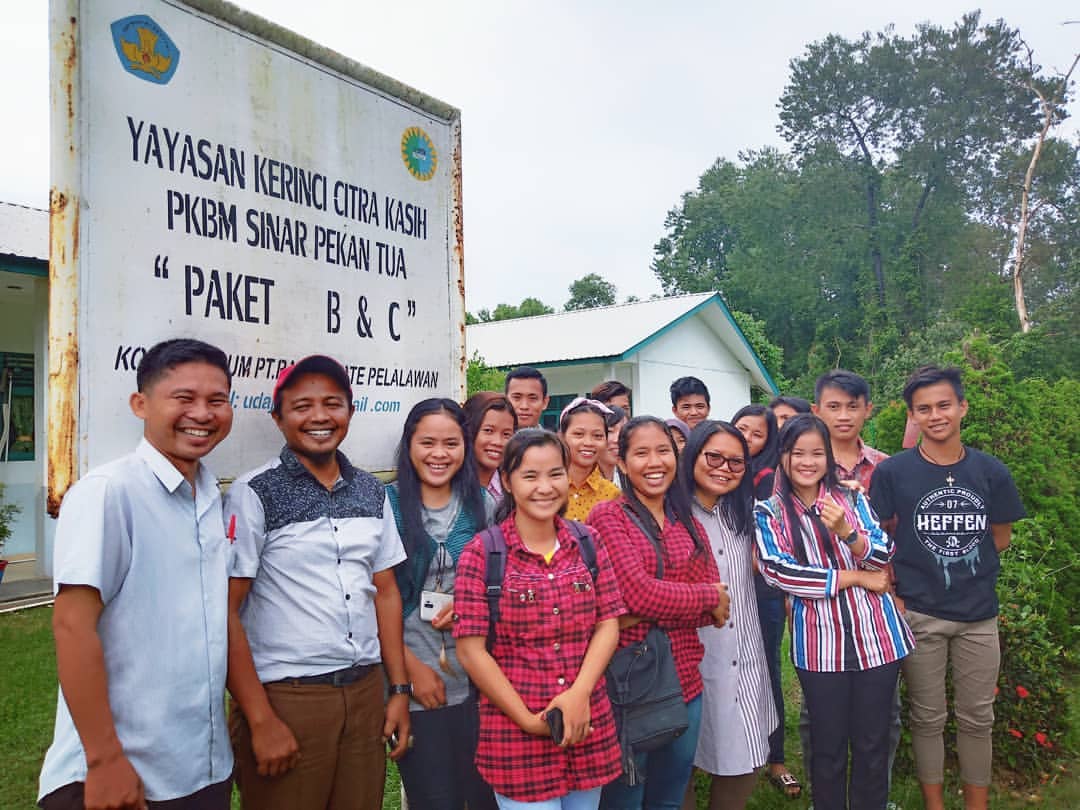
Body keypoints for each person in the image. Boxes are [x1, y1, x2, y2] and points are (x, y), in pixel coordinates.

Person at [38, 338, 235, 810]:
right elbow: (72, 626)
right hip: (118, 777)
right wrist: (105, 760)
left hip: (200, 769)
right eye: (184, 398)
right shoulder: (109, 493)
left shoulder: (210, 495)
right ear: (140, 405)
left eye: (217, 400)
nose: (202, 414)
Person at [225, 355, 411, 810]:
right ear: (278, 418)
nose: (319, 417)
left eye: (332, 403)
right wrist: (260, 718)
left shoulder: (370, 490)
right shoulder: (254, 493)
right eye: (302, 406)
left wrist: (398, 690)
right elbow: (224, 610)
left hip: (364, 693)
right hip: (289, 698)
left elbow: (385, 592)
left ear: (350, 411)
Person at [870, 366, 1026, 810]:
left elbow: (1000, 538)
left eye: (944, 405)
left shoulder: (990, 471)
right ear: (912, 415)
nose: (935, 415)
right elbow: (878, 537)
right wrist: (897, 592)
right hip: (920, 613)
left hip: (979, 616)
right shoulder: (893, 472)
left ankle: (977, 805)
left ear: (962, 407)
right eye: (924, 408)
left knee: (978, 718)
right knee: (927, 717)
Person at [455, 429, 626, 809]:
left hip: (586, 725)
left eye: (555, 474)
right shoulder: (483, 553)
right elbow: (470, 650)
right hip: (516, 737)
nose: (545, 488)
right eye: (530, 476)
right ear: (507, 481)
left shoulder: (588, 541)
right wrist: (527, 719)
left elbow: (608, 623)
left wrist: (579, 694)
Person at [755, 415, 913, 810]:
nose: (807, 462)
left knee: (873, 742)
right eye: (797, 453)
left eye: (817, 453)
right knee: (826, 746)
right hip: (820, 646)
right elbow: (780, 572)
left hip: (878, 639)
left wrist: (849, 534)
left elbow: (884, 553)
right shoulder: (769, 512)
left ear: (828, 456)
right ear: (783, 456)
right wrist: (855, 577)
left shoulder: (852, 499)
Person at [587, 416, 731, 809]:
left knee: (670, 796)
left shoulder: (686, 520)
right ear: (622, 462)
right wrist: (702, 597)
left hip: (686, 682)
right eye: (641, 453)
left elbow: (716, 611)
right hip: (630, 684)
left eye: (663, 451)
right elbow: (637, 593)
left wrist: (653, 606)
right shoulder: (608, 517)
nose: (654, 462)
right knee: (626, 798)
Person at [387, 399, 498, 810]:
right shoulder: (386, 505)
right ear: (409, 445)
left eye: (451, 443)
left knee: (484, 798)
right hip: (417, 684)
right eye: (427, 443)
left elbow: (498, 588)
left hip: (478, 684)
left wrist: (470, 609)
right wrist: (409, 674)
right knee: (435, 800)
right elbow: (375, 598)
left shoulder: (483, 505)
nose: (439, 454)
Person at [807, 369, 901, 796]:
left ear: (868, 410)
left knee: (881, 717)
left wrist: (896, 592)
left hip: (879, 607)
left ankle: (874, 797)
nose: (843, 415)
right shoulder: (802, 465)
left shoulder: (886, 467)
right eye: (833, 406)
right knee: (819, 720)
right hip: (822, 609)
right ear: (817, 410)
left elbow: (895, 535)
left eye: (852, 406)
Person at [679, 421, 778, 810]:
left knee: (745, 751)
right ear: (693, 457)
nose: (724, 468)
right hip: (688, 657)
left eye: (736, 462)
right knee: (679, 760)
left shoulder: (746, 512)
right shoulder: (672, 514)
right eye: (714, 457)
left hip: (742, 651)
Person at [731, 404, 794, 797]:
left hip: (763, 588)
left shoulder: (772, 478)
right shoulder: (721, 470)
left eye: (758, 434)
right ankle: (730, 750)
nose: (748, 439)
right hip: (725, 587)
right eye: (742, 429)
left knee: (767, 668)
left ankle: (776, 756)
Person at [560, 398, 622, 522]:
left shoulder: (613, 494)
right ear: (562, 437)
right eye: (578, 434)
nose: (588, 443)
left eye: (597, 436)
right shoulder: (549, 487)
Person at [464, 391, 518, 505]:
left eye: (506, 434)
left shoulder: (514, 489)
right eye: (488, 431)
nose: (498, 442)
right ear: (469, 431)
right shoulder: (449, 488)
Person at [731, 405, 779, 500]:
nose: (746, 437)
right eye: (741, 429)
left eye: (757, 435)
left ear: (767, 442)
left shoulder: (765, 478)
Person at [598, 405, 628, 488]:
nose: (617, 439)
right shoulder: (581, 478)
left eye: (623, 431)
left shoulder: (631, 477)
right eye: (610, 431)